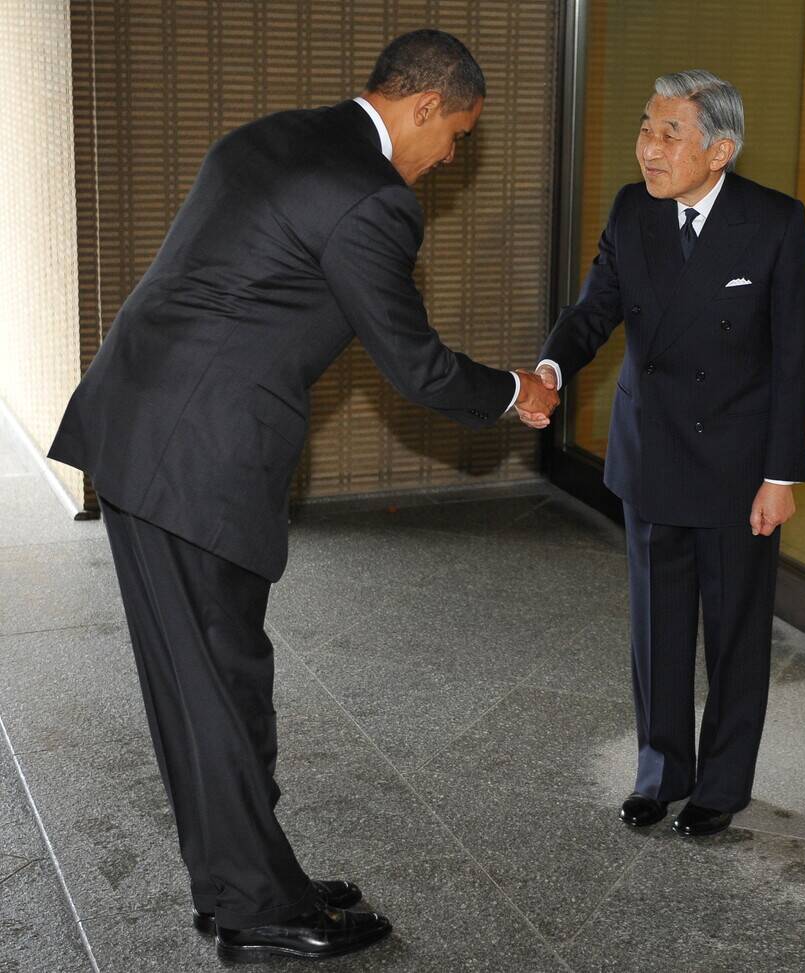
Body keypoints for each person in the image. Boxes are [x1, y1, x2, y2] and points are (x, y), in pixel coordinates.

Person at [48, 29, 558, 962]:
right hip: (194, 459)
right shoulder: (372, 197)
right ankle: (252, 908)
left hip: (141, 431)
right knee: (216, 684)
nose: (452, 159)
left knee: (209, 679)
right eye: (456, 138)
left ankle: (250, 874)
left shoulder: (270, 136)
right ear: (425, 106)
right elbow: (414, 363)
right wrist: (515, 390)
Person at [533, 70, 805, 837]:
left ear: (719, 150)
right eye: (645, 128)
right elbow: (594, 309)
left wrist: (782, 474)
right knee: (656, 630)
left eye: (670, 134)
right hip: (651, 453)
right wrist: (553, 367)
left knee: (734, 634)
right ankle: (660, 772)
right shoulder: (635, 210)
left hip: (736, 468)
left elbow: (795, 360)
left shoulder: (775, 223)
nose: (648, 148)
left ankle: (721, 785)